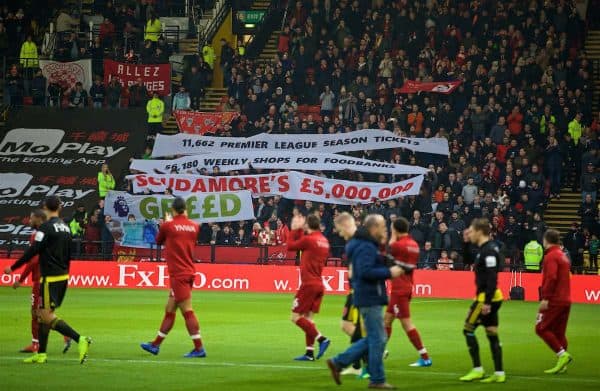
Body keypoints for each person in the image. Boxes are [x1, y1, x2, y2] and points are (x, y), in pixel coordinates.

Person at [3, 196, 91, 364]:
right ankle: (41, 354)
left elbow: (33, 251)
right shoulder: (65, 227)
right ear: (59, 207)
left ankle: (80, 338)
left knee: (43, 315)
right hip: (63, 275)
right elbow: (69, 253)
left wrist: (13, 268)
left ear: (44, 208)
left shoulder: (45, 228)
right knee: (44, 316)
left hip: (49, 277)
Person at [327, 214, 405, 389]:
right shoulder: (366, 246)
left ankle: (341, 363)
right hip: (369, 296)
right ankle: (374, 378)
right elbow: (365, 271)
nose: (385, 229)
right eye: (382, 226)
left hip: (366, 295)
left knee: (375, 337)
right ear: (373, 228)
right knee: (377, 338)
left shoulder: (364, 244)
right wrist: (390, 272)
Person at [140, 197, 206, 358]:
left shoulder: (168, 226)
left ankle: (199, 348)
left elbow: (158, 240)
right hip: (188, 270)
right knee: (170, 309)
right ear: (185, 209)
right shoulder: (194, 226)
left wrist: (167, 222)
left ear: (173, 210)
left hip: (179, 274)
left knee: (187, 311)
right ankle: (155, 345)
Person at [460, 218, 505, 383]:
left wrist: (486, 302)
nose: (469, 233)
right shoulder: (484, 249)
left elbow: (492, 277)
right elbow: (466, 260)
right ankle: (499, 374)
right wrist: (465, 242)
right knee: (491, 332)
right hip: (493, 297)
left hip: (486, 299)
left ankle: (477, 369)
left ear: (479, 231)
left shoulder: (489, 250)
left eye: (471, 231)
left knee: (468, 330)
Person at [384, 217, 432, 367]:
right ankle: (380, 350)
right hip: (406, 285)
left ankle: (425, 357)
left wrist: (392, 236)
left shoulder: (398, 245)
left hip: (399, 289)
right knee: (387, 320)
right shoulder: (414, 244)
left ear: (395, 229)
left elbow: (387, 255)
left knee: (406, 323)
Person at [287, 213, 331, 361]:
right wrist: (301, 231)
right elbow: (303, 243)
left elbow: (290, 246)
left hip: (309, 284)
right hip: (319, 284)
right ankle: (309, 353)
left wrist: (294, 229)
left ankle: (321, 339)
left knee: (295, 317)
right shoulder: (324, 240)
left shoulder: (310, 240)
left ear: (308, 225)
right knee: (309, 319)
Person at [535, 229, 573, 374]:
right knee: (559, 333)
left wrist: (546, 297)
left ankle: (562, 355)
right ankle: (563, 364)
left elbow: (551, 277)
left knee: (540, 328)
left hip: (554, 300)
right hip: (566, 300)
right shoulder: (563, 256)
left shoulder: (551, 256)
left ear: (546, 240)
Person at [334, 212, 367, 377]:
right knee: (347, 326)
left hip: (360, 291)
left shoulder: (358, 241)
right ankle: (358, 364)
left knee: (356, 329)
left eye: (340, 230)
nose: (340, 234)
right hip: (354, 290)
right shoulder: (357, 240)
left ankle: (368, 355)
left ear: (346, 225)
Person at [11, 209, 46, 353]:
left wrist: (20, 279)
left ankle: (35, 344)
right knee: (44, 313)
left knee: (35, 313)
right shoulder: (49, 234)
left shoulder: (37, 235)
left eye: (31, 219)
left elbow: (33, 261)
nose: (29, 221)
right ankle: (67, 335)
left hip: (39, 281)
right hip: (50, 278)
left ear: (38, 219)